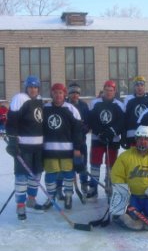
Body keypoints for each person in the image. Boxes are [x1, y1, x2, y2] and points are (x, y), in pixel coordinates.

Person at [5, 76, 44, 220]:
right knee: (22, 176)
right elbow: (12, 122)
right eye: (30, 87)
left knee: (36, 174)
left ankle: (31, 200)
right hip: (24, 147)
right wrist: (13, 141)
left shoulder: (39, 101)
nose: (33, 90)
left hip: (38, 147)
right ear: (26, 88)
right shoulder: (20, 99)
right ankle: (20, 206)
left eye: (35, 87)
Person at [42, 83, 83, 210]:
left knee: (68, 174)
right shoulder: (45, 109)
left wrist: (77, 148)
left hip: (67, 150)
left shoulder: (71, 109)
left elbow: (78, 131)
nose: (58, 95)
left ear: (64, 94)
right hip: (49, 149)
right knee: (51, 174)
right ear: (51, 94)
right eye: (55, 92)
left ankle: (68, 196)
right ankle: (51, 197)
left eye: (60, 92)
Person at [87, 80, 125, 199]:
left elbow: (122, 122)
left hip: (112, 140)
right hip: (97, 139)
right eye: (106, 90)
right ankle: (93, 188)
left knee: (111, 165)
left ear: (115, 91)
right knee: (95, 164)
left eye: (111, 90)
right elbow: (90, 119)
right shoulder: (94, 103)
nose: (108, 92)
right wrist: (99, 132)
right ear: (103, 90)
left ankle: (109, 186)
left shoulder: (119, 104)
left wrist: (112, 132)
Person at [56, 82, 90, 201]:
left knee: (82, 165)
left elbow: (88, 122)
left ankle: (84, 186)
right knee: (63, 167)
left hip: (80, 143)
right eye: (72, 92)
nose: (75, 95)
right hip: (65, 144)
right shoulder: (63, 105)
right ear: (68, 94)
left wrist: (83, 130)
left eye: (77, 92)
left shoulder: (84, 106)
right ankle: (59, 189)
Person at [122, 76, 148, 148]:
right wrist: (123, 136)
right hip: (131, 134)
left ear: (144, 86)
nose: (139, 87)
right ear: (134, 87)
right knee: (133, 157)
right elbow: (124, 118)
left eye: (142, 85)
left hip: (146, 134)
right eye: (137, 85)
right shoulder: (128, 99)